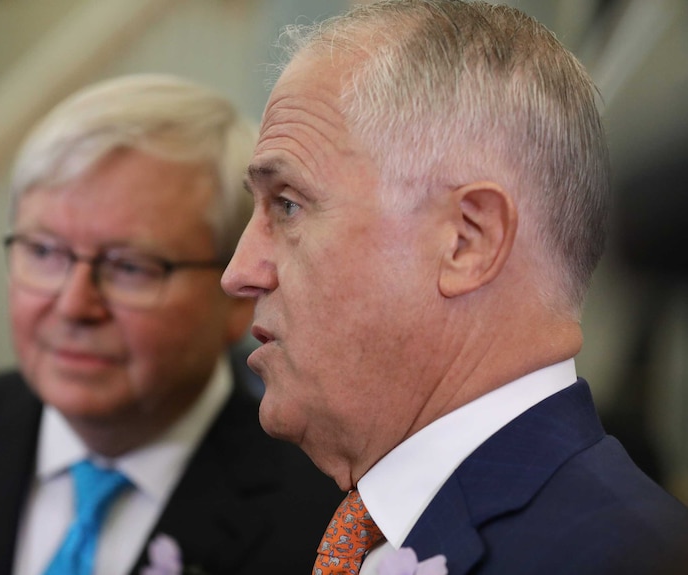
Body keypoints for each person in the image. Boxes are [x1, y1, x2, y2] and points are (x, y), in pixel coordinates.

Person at [220, 1, 688, 574]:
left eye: (288, 205)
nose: (239, 271)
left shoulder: (621, 559)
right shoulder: (350, 531)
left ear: (467, 242)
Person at [0, 74, 339, 575]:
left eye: (131, 267)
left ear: (234, 297)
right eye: (44, 252)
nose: (74, 305)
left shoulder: (325, 523)